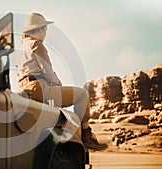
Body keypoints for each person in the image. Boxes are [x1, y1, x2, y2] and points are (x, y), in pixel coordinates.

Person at [16, 12, 107, 150]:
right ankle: (86, 135)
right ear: (39, 29)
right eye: (45, 29)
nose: (46, 33)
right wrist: (58, 87)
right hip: (40, 88)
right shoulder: (36, 44)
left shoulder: (21, 47)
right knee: (82, 95)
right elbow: (47, 71)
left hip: (26, 90)